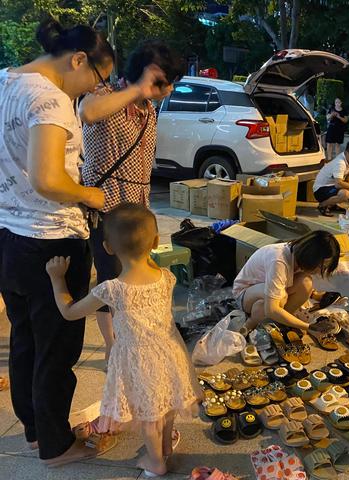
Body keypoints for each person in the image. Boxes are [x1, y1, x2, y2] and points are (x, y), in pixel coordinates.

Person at [0, 17, 115, 466]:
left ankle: (35, 432)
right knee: (57, 350)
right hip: (52, 241)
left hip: (9, 234)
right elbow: (49, 178)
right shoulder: (50, 98)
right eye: (97, 79)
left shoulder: (6, 80)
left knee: (26, 341)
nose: (93, 89)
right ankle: (56, 445)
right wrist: (90, 195)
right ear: (78, 59)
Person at [45, 203, 200, 477]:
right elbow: (146, 262)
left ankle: (155, 463)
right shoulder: (167, 277)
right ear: (155, 242)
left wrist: (57, 280)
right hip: (171, 351)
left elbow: (69, 312)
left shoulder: (111, 289)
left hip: (139, 359)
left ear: (107, 248)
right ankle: (164, 448)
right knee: (166, 402)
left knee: (149, 411)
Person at [81, 41, 184, 363]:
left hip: (137, 208)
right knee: (111, 278)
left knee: (136, 274)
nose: (168, 90)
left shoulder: (148, 110)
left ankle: (130, 334)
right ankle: (112, 345)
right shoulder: (105, 95)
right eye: (165, 82)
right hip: (107, 208)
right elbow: (87, 112)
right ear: (146, 74)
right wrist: (139, 87)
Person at [234, 231, 341, 333]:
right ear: (310, 257)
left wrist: (314, 294)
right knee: (277, 300)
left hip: (263, 291)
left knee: (306, 283)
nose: (319, 271)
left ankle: (279, 321)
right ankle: (250, 325)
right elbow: (271, 309)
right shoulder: (279, 260)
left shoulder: (298, 253)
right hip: (244, 294)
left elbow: (290, 280)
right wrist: (308, 327)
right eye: (320, 267)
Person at [313, 141, 349, 216]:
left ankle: (331, 205)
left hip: (330, 187)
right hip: (320, 190)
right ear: (346, 152)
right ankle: (322, 205)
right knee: (345, 194)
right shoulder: (340, 163)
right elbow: (338, 184)